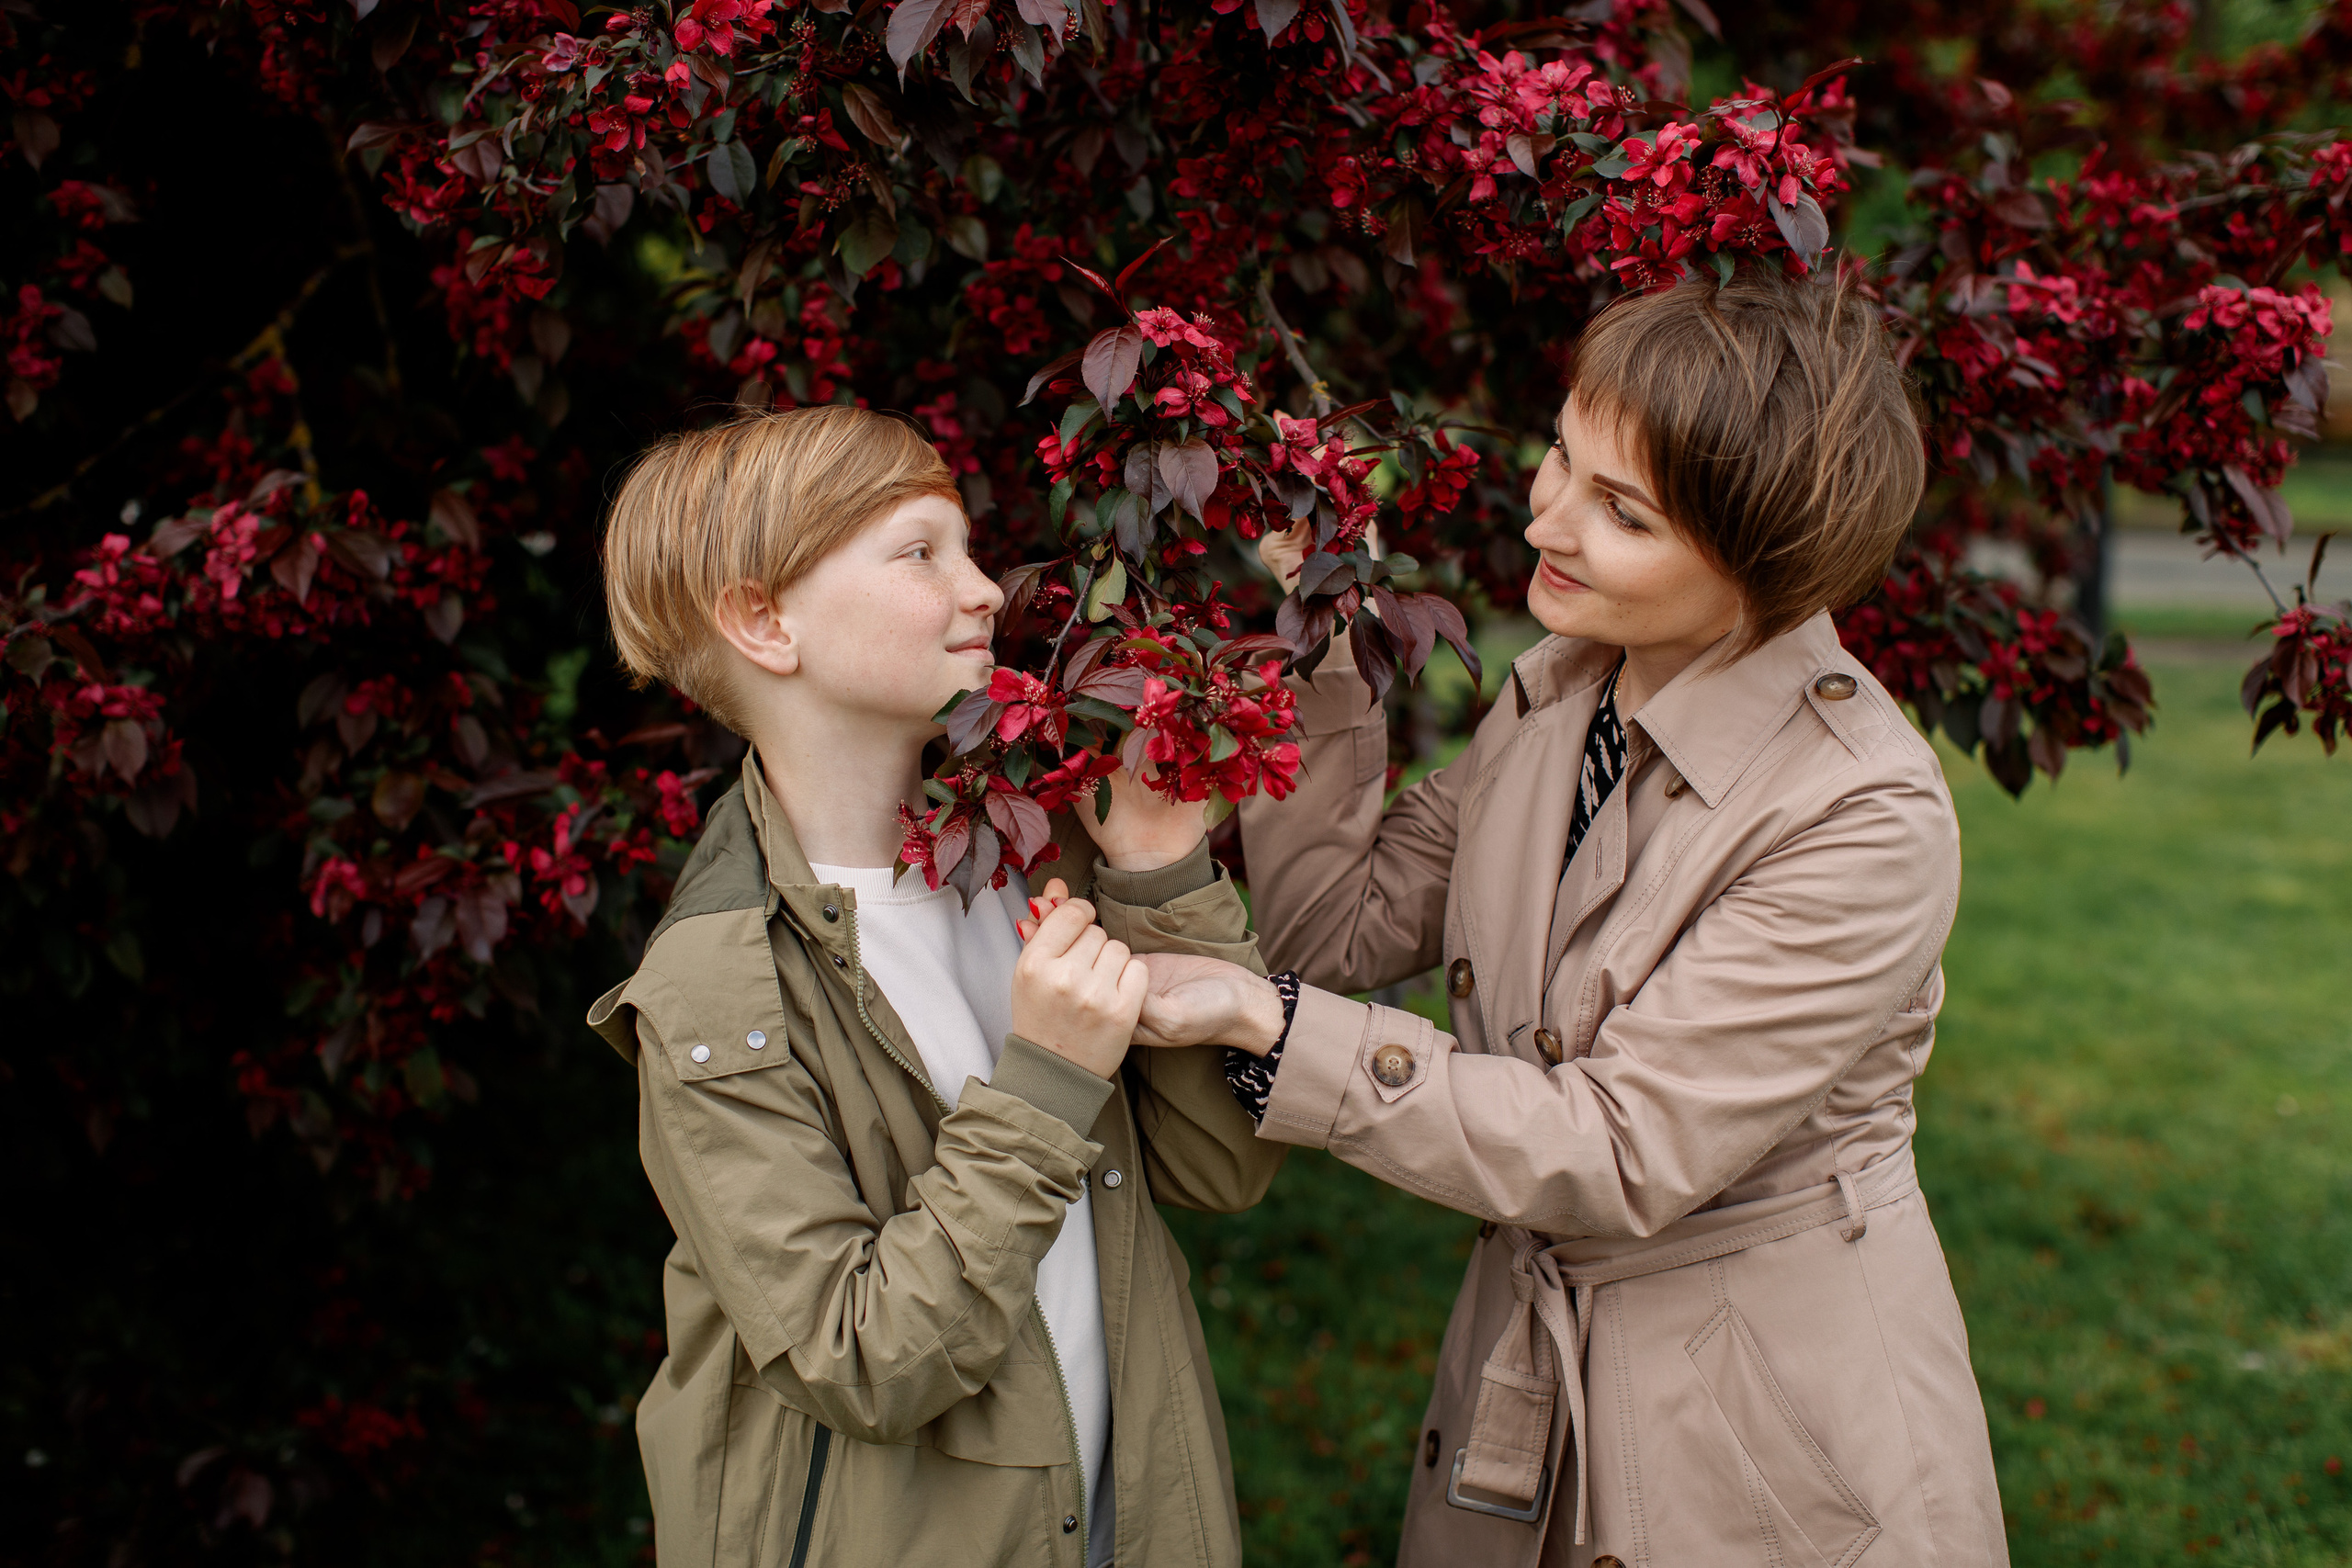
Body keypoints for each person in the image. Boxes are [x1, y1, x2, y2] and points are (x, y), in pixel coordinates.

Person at [1131, 264, 2010, 1566]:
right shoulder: (1563, 697)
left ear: (1761, 563)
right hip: (1526, 1369)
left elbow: (1622, 1144)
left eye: (1624, 511)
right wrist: (1326, 643)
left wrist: (1278, 1028)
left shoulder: (1862, 813)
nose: (1546, 517)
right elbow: (1334, 933)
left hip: (1760, 1429)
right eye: (1560, 452)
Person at [586, 406, 1281, 1568]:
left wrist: (1158, 871)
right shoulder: (713, 991)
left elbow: (1223, 1167)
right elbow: (859, 1359)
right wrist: (1049, 1075)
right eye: (920, 554)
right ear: (763, 620)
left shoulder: (1027, 863)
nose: (984, 592)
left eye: (966, 549)